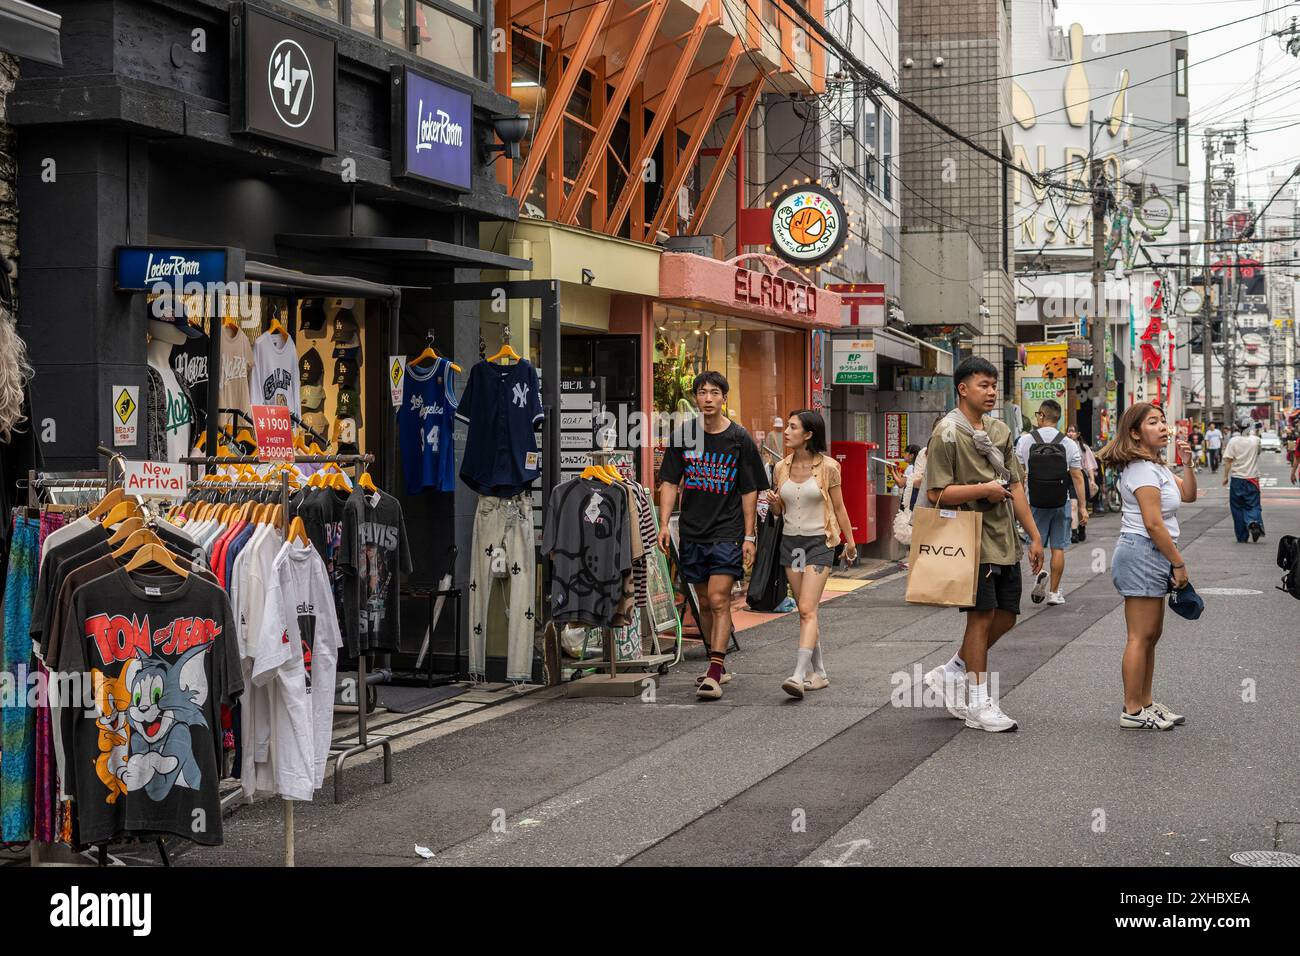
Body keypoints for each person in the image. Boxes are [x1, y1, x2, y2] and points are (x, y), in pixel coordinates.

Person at [921, 357, 1044, 733]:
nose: (991, 392)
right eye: (983, 385)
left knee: (1006, 614)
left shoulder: (1001, 430)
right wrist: (984, 490)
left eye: (993, 386)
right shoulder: (946, 432)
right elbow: (936, 493)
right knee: (980, 616)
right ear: (962, 388)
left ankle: (953, 670)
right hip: (967, 538)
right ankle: (978, 702)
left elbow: (1016, 484)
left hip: (1003, 536)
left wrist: (1034, 535)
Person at [658, 371, 768, 700]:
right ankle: (714, 662)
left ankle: (716, 671)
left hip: (727, 530)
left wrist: (749, 536)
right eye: (702, 392)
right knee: (704, 602)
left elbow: (749, 490)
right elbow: (669, 482)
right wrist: (664, 523)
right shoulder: (683, 436)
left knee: (720, 599)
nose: (707, 398)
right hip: (693, 529)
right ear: (696, 398)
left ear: (724, 398)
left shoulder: (740, 438)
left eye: (714, 392)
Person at [1098, 402, 1196, 730]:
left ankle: (1146, 702)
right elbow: (1154, 524)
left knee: (1152, 635)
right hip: (1142, 551)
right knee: (1140, 636)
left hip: (1153, 553)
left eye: (1162, 420)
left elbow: (1189, 496)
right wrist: (1178, 564)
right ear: (1136, 433)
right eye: (1153, 422)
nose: (1162, 426)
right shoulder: (1141, 470)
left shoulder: (1156, 465)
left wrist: (1188, 464)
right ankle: (1132, 709)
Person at [766, 410, 857, 699]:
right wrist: (774, 502)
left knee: (806, 608)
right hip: (791, 544)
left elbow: (839, 507)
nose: (787, 431)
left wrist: (850, 542)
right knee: (808, 611)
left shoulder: (828, 467)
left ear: (808, 435)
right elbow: (780, 512)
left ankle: (798, 674)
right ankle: (820, 673)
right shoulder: (781, 467)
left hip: (819, 543)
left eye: (793, 427)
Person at [1015, 400, 1087, 606]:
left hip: (1034, 501)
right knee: (1058, 547)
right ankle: (1054, 592)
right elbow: (1077, 477)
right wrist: (1082, 507)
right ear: (1058, 418)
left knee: (1034, 542)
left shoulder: (1025, 441)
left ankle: (1039, 572)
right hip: (1060, 500)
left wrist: (1017, 503)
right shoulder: (1069, 443)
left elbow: (1018, 476)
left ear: (1041, 416)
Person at [1222, 423, 1264, 543]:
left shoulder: (1233, 441)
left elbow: (1228, 461)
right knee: (1254, 505)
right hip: (1252, 479)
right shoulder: (1256, 440)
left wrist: (1225, 477)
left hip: (1237, 479)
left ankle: (1242, 536)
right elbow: (1258, 453)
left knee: (1237, 508)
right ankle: (1253, 522)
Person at [1067, 423, 1098, 539]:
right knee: (1073, 505)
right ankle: (1074, 533)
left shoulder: (1084, 448)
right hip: (1069, 478)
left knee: (1081, 505)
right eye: (1069, 431)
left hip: (1081, 477)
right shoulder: (1064, 446)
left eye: (1073, 431)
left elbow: (1089, 465)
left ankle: (1082, 528)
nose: (1070, 434)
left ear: (1078, 434)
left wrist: (1092, 480)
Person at [901, 444, 924, 511]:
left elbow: (900, 483)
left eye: (905, 453)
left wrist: (893, 471)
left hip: (912, 497)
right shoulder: (916, 468)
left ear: (911, 455)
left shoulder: (911, 468)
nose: (904, 455)